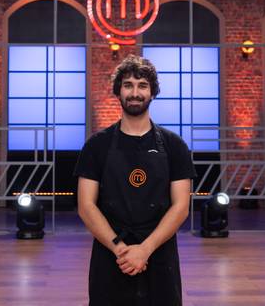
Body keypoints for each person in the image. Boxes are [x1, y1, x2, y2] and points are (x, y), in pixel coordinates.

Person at [74, 54, 196, 306]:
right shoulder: (96, 146)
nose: (135, 93)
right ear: (118, 92)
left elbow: (181, 207)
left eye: (142, 86)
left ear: (152, 93)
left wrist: (145, 249)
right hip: (111, 253)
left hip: (159, 253)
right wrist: (121, 249)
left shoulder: (174, 146)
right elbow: (86, 206)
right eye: (128, 85)